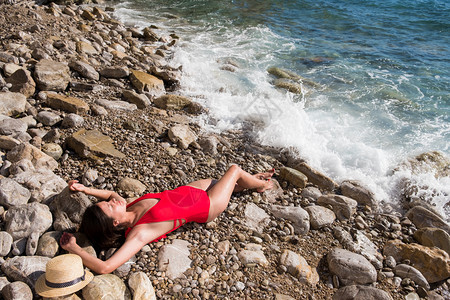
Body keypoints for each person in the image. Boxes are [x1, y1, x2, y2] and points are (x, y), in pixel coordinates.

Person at [60, 165, 274, 274]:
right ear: (115, 223)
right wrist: (74, 249)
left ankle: (251, 180)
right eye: (109, 207)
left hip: (190, 191)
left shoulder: (127, 206)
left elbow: (110, 195)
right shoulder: (139, 233)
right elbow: (105, 267)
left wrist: (85, 189)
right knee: (234, 171)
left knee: (227, 182)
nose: (112, 201)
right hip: (207, 205)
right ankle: (261, 184)